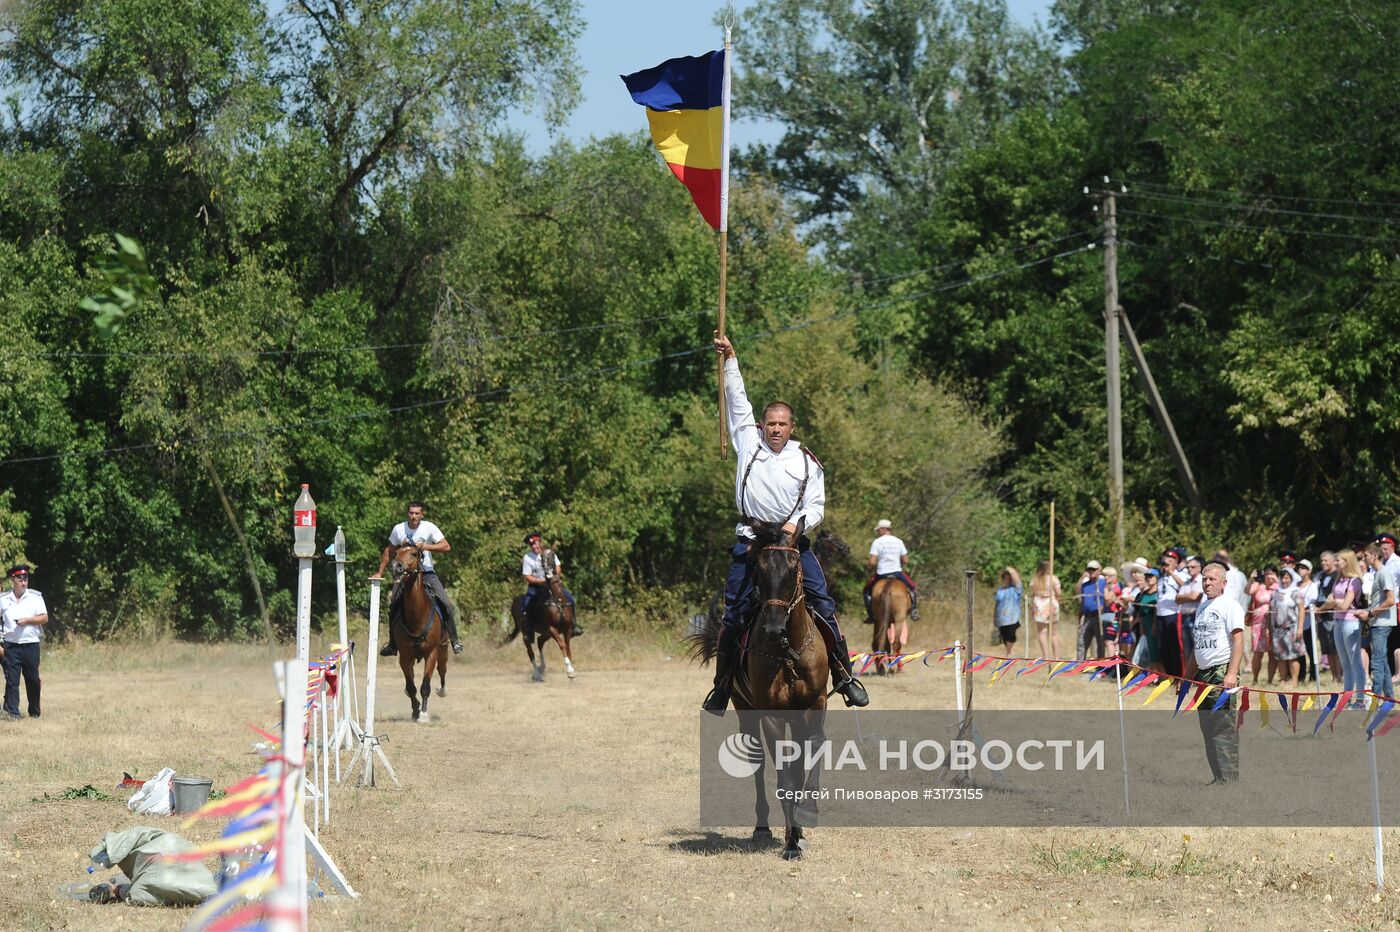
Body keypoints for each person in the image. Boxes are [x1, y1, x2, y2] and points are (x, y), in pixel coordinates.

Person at [702, 334, 868, 712]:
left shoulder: (807, 461)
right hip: (751, 541)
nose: (775, 429)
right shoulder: (748, 441)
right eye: (770, 423)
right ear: (762, 425)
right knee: (735, 612)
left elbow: (816, 505)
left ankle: (843, 675)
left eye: (782, 424)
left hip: (791, 544)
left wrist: (795, 527)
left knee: (823, 604)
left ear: (792, 427)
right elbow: (737, 400)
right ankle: (723, 685)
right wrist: (731, 358)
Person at [373, 501, 463, 656]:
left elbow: (446, 546)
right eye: (411, 513)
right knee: (393, 604)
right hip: (405, 575)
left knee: (446, 604)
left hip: (426, 572)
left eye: (417, 513)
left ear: (422, 514)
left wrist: (426, 547)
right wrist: (380, 572)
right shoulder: (399, 529)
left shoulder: (429, 527)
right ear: (407, 513)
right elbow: (389, 550)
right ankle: (393, 644)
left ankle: (454, 640)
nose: (413, 516)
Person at [1186, 562, 1244, 784]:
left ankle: (1229, 780)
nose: (1207, 583)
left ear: (1224, 583)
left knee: (1223, 728)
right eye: (1204, 579)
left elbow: (1239, 641)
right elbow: (1197, 647)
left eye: (1212, 579)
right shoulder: (1202, 606)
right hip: (1202, 674)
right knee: (1207, 728)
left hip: (1221, 672)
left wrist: (1231, 674)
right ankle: (1218, 777)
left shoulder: (1230, 605)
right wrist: (1187, 677)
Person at [1, 564, 48, 720]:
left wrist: (28, 620)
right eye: (20, 579)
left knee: (33, 679)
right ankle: (13, 713)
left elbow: (44, 618)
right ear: (13, 579)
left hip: (30, 644)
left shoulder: (35, 597)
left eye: (26, 579)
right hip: (11, 645)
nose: (24, 582)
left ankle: (34, 711)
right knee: (12, 680)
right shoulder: (3, 599)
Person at [519, 532, 581, 636]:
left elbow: (558, 567)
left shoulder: (549, 553)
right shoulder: (527, 558)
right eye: (532, 544)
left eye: (535, 543)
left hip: (553, 584)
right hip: (536, 587)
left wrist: (554, 576)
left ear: (539, 542)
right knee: (527, 604)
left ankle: (574, 625)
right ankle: (529, 632)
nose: (534, 546)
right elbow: (527, 576)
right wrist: (542, 581)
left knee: (570, 599)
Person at [1357, 543, 1397, 699]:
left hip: (1382, 624)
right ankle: (1388, 697)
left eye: (1366, 555)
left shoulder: (1383, 573)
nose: (1364, 558)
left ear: (1374, 556)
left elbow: (1391, 600)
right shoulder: (1378, 573)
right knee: (1383, 662)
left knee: (1377, 662)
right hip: (1378, 623)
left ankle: (1376, 698)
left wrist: (1371, 613)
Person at [1324, 550, 1365, 701]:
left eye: (1339, 560)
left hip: (1350, 622)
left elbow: (1345, 605)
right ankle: (1347, 697)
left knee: (1355, 662)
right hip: (1338, 621)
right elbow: (1335, 603)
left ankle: (1360, 698)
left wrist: (1333, 603)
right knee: (1345, 663)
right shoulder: (1338, 579)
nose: (1336, 563)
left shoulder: (1354, 581)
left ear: (1347, 562)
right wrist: (1334, 603)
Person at [863, 520, 919, 622]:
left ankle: (870, 615)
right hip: (897, 573)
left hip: (881, 574)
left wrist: (869, 568)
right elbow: (906, 560)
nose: (878, 532)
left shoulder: (877, 542)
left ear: (883, 529)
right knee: (913, 587)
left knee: (866, 591)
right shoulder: (898, 541)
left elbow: (872, 562)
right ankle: (914, 611)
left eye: (878, 530)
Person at [1269, 565, 1304, 688]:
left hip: (1291, 629)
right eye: (1282, 578)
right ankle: (1283, 679)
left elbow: (1301, 611)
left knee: (1292, 656)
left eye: (1287, 578)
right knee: (1280, 657)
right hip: (1278, 630)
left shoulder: (1296, 593)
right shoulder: (1275, 593)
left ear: (1291, 578)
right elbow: (1271, 611)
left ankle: (1294, 680)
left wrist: (1300, 628)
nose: (1284, 580)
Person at [1155, 547, 1189, 677]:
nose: (1167, 562)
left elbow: (1184, 587)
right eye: (1166, 559)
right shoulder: (1160, 577)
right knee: (1163, 648)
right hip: (1160, 615)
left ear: (1176, 562)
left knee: (1176, 647)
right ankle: (1170, 675)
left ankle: (1180, 675)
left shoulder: (1181, 575)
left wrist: (1172, 573)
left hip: (1173, 614)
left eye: (1171, 560)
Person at [1246, 566, 1278, 684]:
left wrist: (1276, 581)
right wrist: (1251, 579)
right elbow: (1247, 591)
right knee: (1258, 652)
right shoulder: (1259, 586)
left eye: (1272, 573)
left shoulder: (1278, 588)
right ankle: (1255, 678)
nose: (1269, 576)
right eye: (1267, 573)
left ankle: (1270, 680)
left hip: (1274, 624)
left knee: (1272, 653)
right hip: (1258, 623)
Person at [1313, 551, 1341, 683]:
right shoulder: (1321, 576)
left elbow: (1333, 598)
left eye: (1326, 560)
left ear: (1334, 561)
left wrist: (1321, 609)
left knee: (1335, 648)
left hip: (1332, 616)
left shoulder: (1338, 576)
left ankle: (1340, 676)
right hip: (1321, 617)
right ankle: (1334, 676)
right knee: (1327, 649)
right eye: (1321, 561)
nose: (1323, 563)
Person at [1076, 560, 1108, 661]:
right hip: (1087, 616)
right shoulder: (1085, 585)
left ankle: (1101, 665)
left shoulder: (1103, 583)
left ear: (1099, 571)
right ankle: (1079, 665)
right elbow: (1081, 599)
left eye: (1093, 570)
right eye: (1089, 570)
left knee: (1100, 642)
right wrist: (1080, 616)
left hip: (1099, 616)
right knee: (1082, 641)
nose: (1091, 572)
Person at [1030, 560, 1062, 660]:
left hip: (1039, 604)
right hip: (1050, 603)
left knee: (1042, 632)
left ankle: (1046, 656)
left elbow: (1033, 592)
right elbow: (1058, 593)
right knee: (1053, 632)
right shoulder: (1053, 579)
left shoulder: (1035, 580)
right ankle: (1056, 657)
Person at [993, 567, 1022, 647]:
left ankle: (1009, 652)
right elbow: (997, 604)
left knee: (1011, 635)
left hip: (1013, 618)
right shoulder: (1000, 590)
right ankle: (1007, 652)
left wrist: (1009, 569)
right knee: (1004, 636)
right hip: (1001, 619)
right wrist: (995, 618)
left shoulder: (1016, 589)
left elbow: (1017, 580)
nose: (1008, 580)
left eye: (1009, 578)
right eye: (1006, 578)